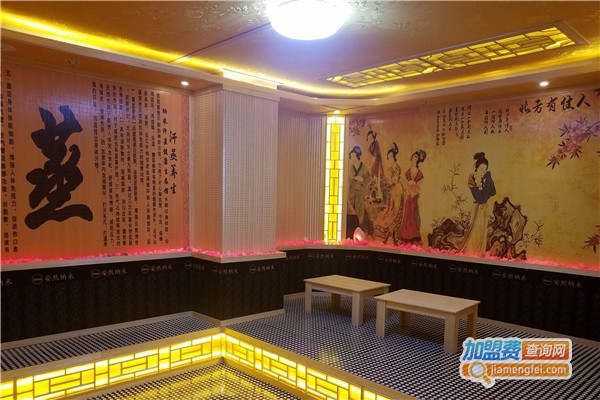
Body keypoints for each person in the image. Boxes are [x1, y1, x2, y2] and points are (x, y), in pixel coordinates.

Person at [459, 152, 496, 256]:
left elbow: (493, 192)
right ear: (476, 167)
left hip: (484, 208)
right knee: (475, 230)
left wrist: (488, 178)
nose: (482, 171)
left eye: (485, 170)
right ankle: (472, 251)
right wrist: (486, 188)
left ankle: (479, 252)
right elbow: (480, 198)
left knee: (482, 231)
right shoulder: (472, 178)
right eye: (481, 169)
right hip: (477, 207)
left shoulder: (486, 179)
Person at [400, 150, 426, 245]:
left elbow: (418, 187)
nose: (414, 159)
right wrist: (408, 188)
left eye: (416, 157)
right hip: (408, 196)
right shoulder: (408, 171)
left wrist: (413, 188)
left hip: (414, 197)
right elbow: (404, 183)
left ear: (418, 160)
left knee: (413, 216)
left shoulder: (419, 173)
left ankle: (413, 236)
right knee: (407, 215)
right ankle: (405, 236)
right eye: (413, 157)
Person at [348, 145, 371, 233]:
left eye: (354, 156)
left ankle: (360, 229)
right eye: (351, 157)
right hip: (353, 192)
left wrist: (362, 180)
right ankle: (353, 229)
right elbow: (350, 179)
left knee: (360, 211)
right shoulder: (352, 167)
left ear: (357, 156)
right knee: (352, 210)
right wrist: (354, 178)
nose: (352, 158)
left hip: (361, 192)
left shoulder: (363, 167)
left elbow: (368, 179)